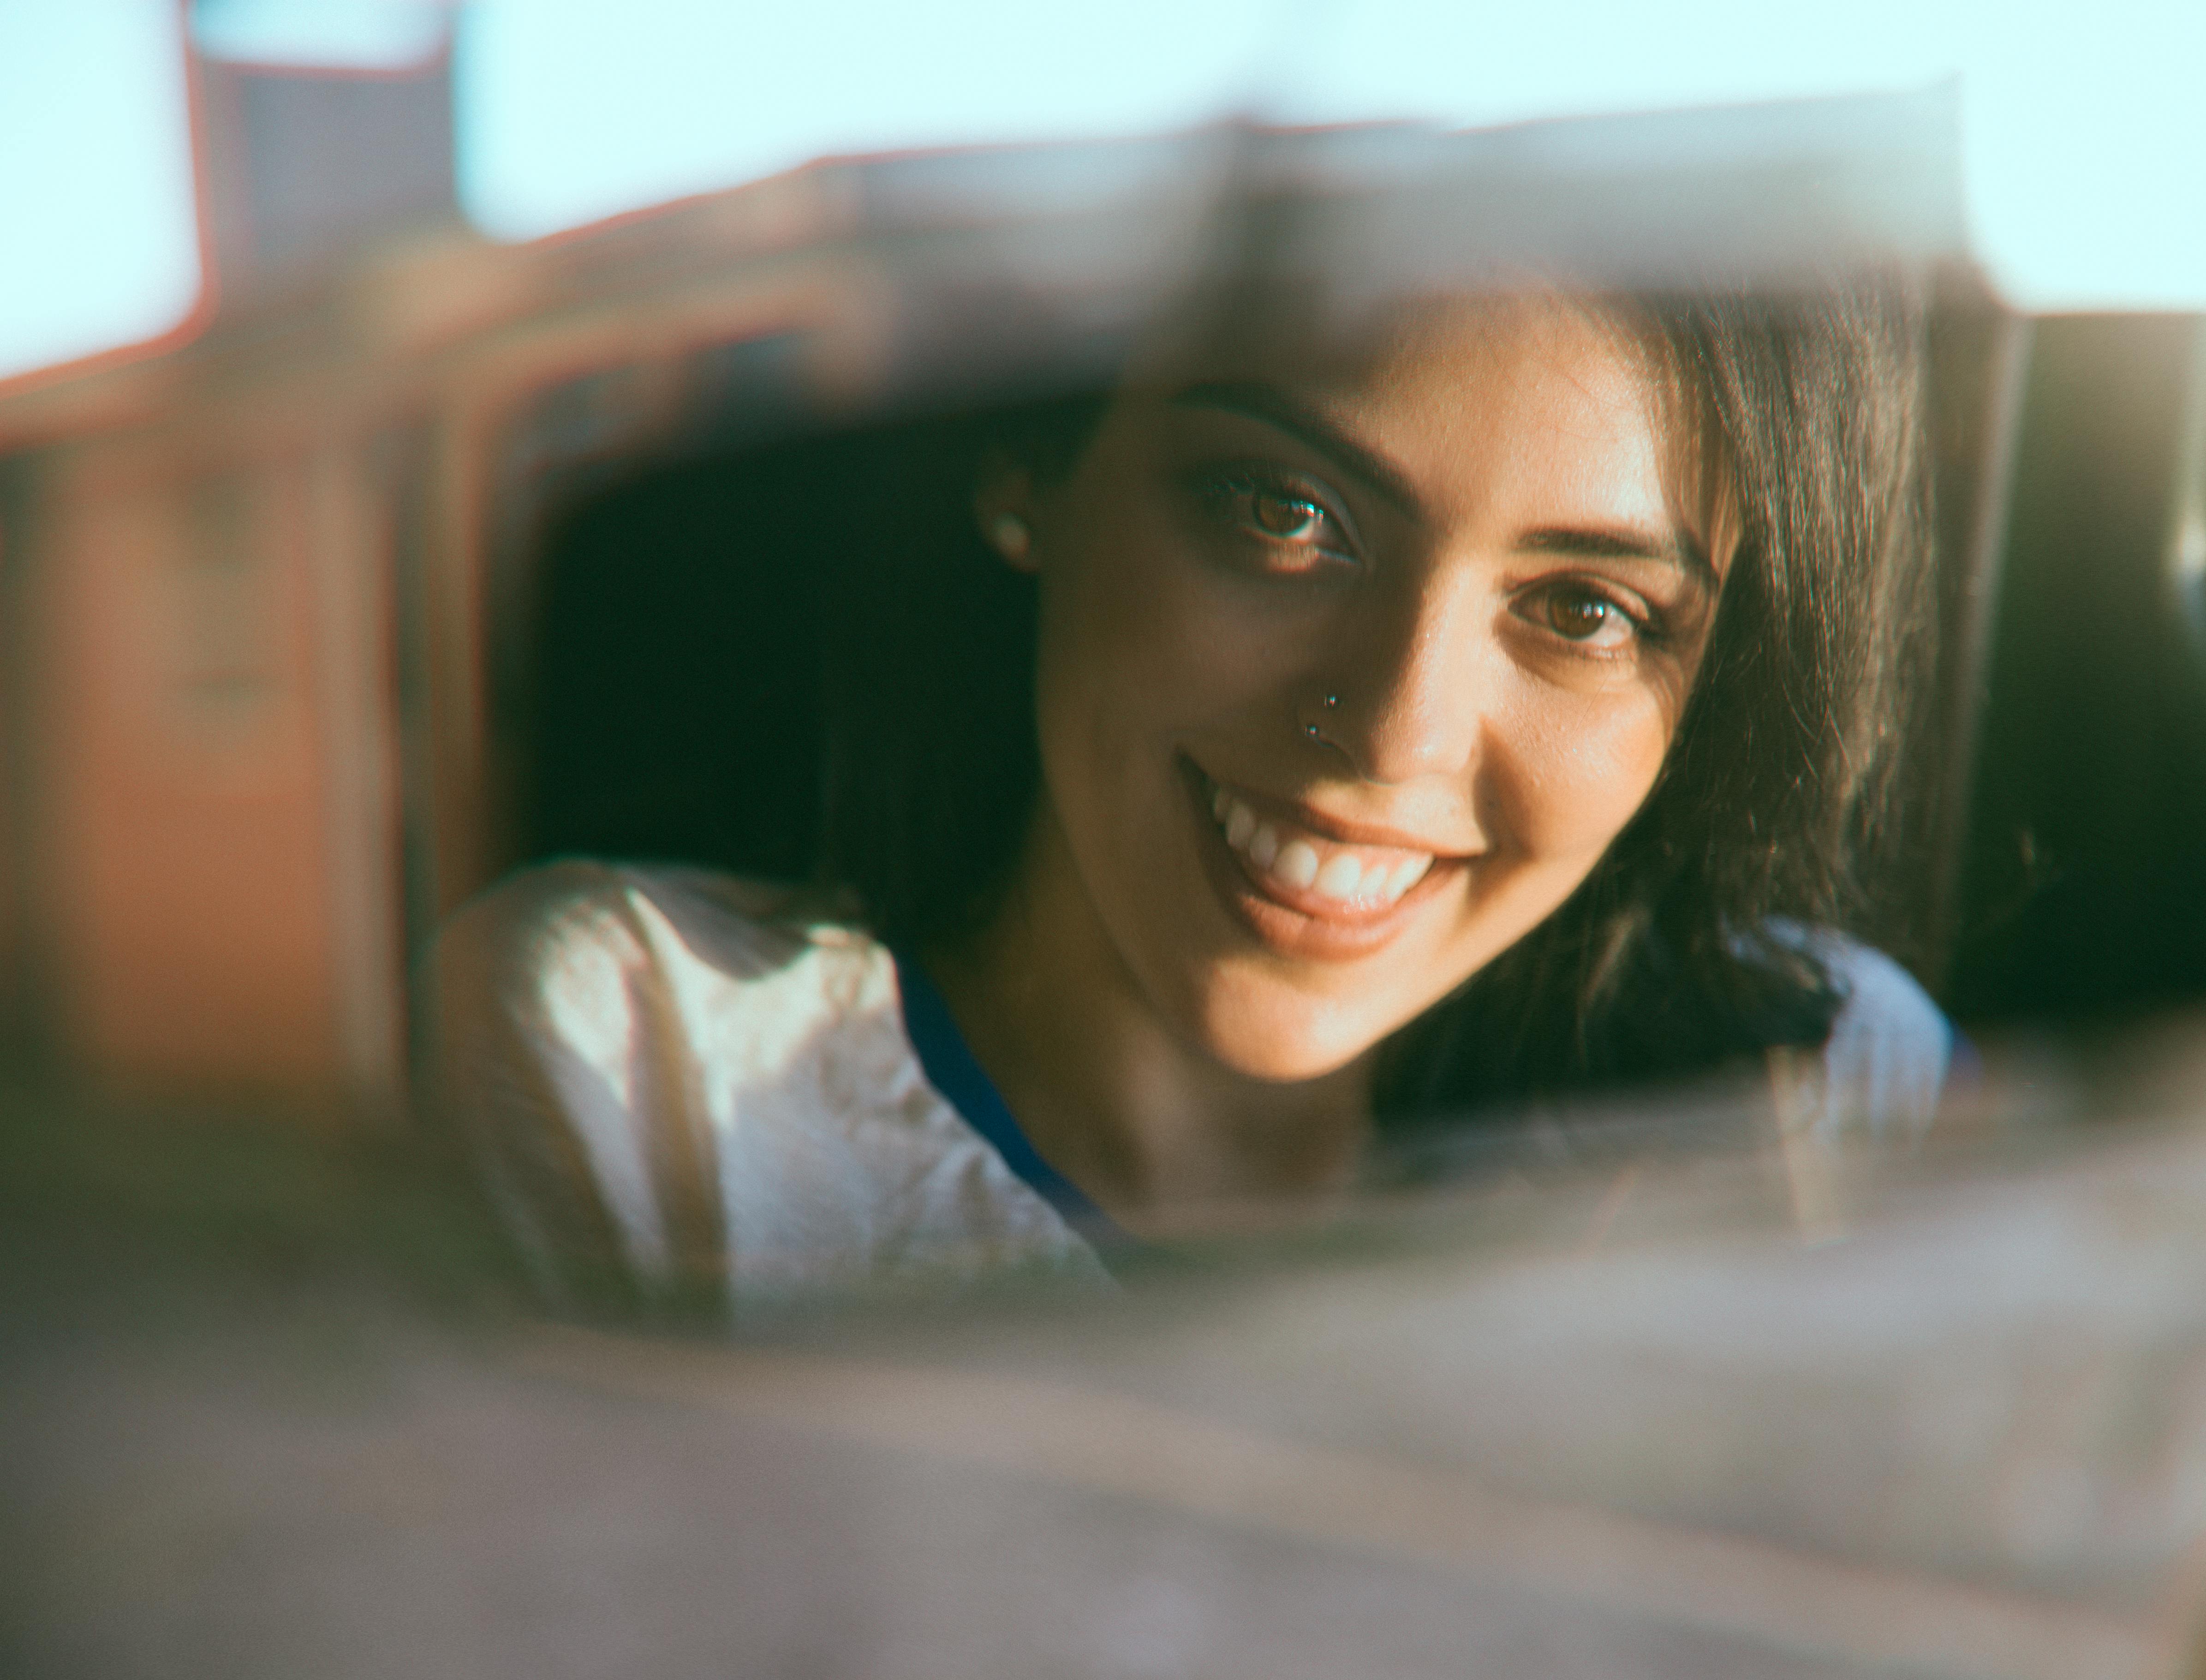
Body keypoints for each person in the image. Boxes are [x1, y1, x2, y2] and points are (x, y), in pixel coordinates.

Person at [430, 261, 1953, 1319]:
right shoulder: (637, 1073)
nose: (1395, 738)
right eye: (1284, 514)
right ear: (1029, 460)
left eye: (1583, 614)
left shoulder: (1813, 1096)